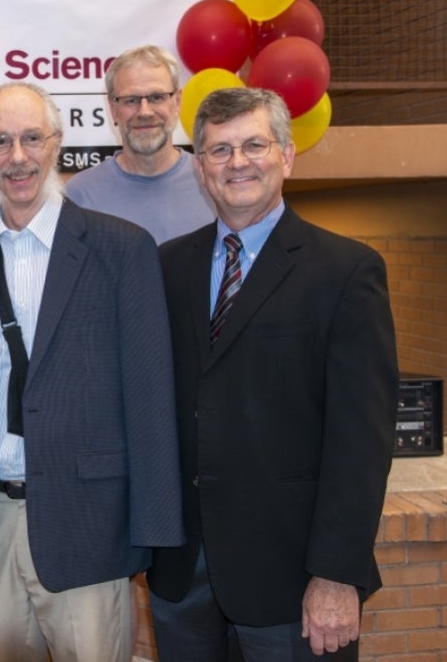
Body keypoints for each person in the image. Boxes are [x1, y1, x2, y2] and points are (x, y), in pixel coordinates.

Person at [0, 81, 184, 662]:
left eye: (31, 138)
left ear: (57, 144)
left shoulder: (122, 250)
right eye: (1, 141)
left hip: (89, 524)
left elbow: (150, 398)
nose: (17, 157)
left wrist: (152, 532)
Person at [147, 87, 398, 661]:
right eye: (219, 150)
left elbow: (362, 443)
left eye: (254, 145)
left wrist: (336, 575)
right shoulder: (167, 267)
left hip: (293, 580)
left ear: (286, 156)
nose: (238, 163)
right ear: (200, 168)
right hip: (183, 574)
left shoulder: (347, 272)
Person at [65, 45, 215, 244]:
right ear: (113, 109)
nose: (145, 112)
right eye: (131, 100)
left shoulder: (213, 181)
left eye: (156, 98)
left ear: (177, 102)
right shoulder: (79, 195)